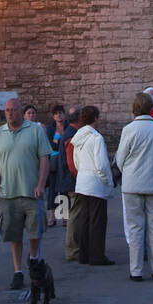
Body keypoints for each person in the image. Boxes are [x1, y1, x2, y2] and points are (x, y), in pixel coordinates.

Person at [0, 97, 53, 289]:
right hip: (8, 194)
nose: (10, 113)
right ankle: (17, 271)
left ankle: (33, 259)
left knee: (34, 231)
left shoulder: (35, 131)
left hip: (32, 193)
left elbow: (44, 159)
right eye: (7, 110)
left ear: (21, 111)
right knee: (13, 235)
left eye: (13, 110)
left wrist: (41, 184)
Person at [114, 91, 153, 280]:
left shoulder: (129, 130)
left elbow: (120, 159)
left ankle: (136, 270)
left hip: (132, 184)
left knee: (135, 227)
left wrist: (129, 170)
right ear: (151, 108)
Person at [71, 106, 115, 266]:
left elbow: (76, 161)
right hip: (95, 183)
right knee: (97, 221)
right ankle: (96, 256)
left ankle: (84, 254)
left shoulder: (78, 137)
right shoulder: (96, 138)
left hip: (82, 181)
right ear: (95, 118)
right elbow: (102, 164)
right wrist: (107, 181)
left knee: (85, 219)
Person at [44, 104, 75, 227]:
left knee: (64, 188)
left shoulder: (68, 127)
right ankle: (52, 216)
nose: (59, 115)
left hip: (65, 161)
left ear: (64, 114)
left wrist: (58, 142)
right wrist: (60, 143)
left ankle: (64, 215)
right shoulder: (50, 128)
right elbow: (50, 145)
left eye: (61, 113)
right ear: (53, 116)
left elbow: (69, 142)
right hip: (52, 163)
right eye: (56, 113)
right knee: (52, 189)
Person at [64, 108, 83, 261]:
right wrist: (79, 178)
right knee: (75, 215)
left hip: (70, 180)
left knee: (74, 214)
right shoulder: (72, 135)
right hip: (73, 181)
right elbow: (71, 163)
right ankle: (73, 250)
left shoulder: (69, 132)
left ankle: (75, 248)